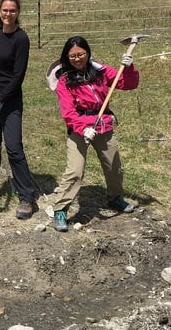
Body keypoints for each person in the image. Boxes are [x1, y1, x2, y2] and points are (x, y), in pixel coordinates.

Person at [51, 36, 139, 232]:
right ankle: (60, 209)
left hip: (103, 126)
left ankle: (115, 198)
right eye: (72, 56)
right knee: (75, 170)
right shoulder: (64, 81)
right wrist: (83, 128)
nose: (77, 58)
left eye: (81, 54)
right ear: (66, 57)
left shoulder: (100, 72)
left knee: (114, 167)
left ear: (88, 53)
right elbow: (68, 113)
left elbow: (128, 83)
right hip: (79, 128)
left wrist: (130, 67)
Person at [0, 0, 38, 220]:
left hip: (9, 99)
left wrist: (0, 100)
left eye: (12, 10)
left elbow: (18, 76)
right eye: (4, 10)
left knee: (13, 147)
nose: (8, 14)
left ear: (18, 13)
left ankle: (26, 196)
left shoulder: (21, 39)